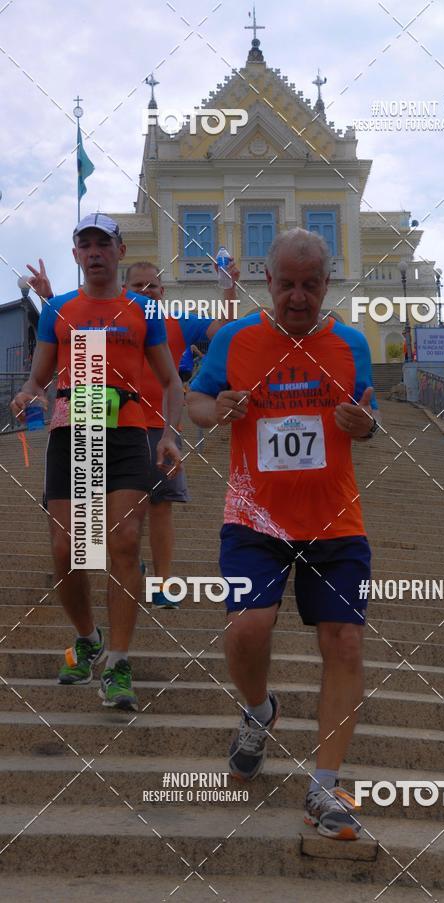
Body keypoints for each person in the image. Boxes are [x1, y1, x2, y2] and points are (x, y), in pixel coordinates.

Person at [187, 228, 380, 840]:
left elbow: (368, 416)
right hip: (254, 518)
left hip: (334, 521)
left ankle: (324, 788)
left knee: (344, 642)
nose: (299, 297)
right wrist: (218, 411)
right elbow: (195, 400)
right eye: (288, 284)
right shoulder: (236, 339)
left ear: (328, 283)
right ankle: (260, 710)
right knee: (248, 626)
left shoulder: (350, 344)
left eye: (311, 285)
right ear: (267, 281)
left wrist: (364, 423)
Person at [11, 214, 184, 712]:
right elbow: (37, 377)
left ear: (118, 250)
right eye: (84, 244)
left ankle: (120, 663)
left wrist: (169, 434)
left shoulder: (142, 310)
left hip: (129, 431)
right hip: (74, 429)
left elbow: (172, 382)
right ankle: (89, 639)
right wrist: (25, 395)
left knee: (124, 540)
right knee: (68, 550)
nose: (94, 252)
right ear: (75, 255)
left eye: (102, 244)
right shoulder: (61, 310)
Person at [24, 257, 240, 610]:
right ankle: (123, 567)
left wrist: (227, 286)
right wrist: (48, 300)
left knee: (160, 507)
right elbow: (69, 329)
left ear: (163, 291)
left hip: (159, 426)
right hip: (107, 424)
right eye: (137, 286)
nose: (146, 292)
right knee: (102, 511)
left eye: (152, 286)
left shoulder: (173, 322)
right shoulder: (116, 315)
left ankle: (164, 582)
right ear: (127, 289)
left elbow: (225, 326)